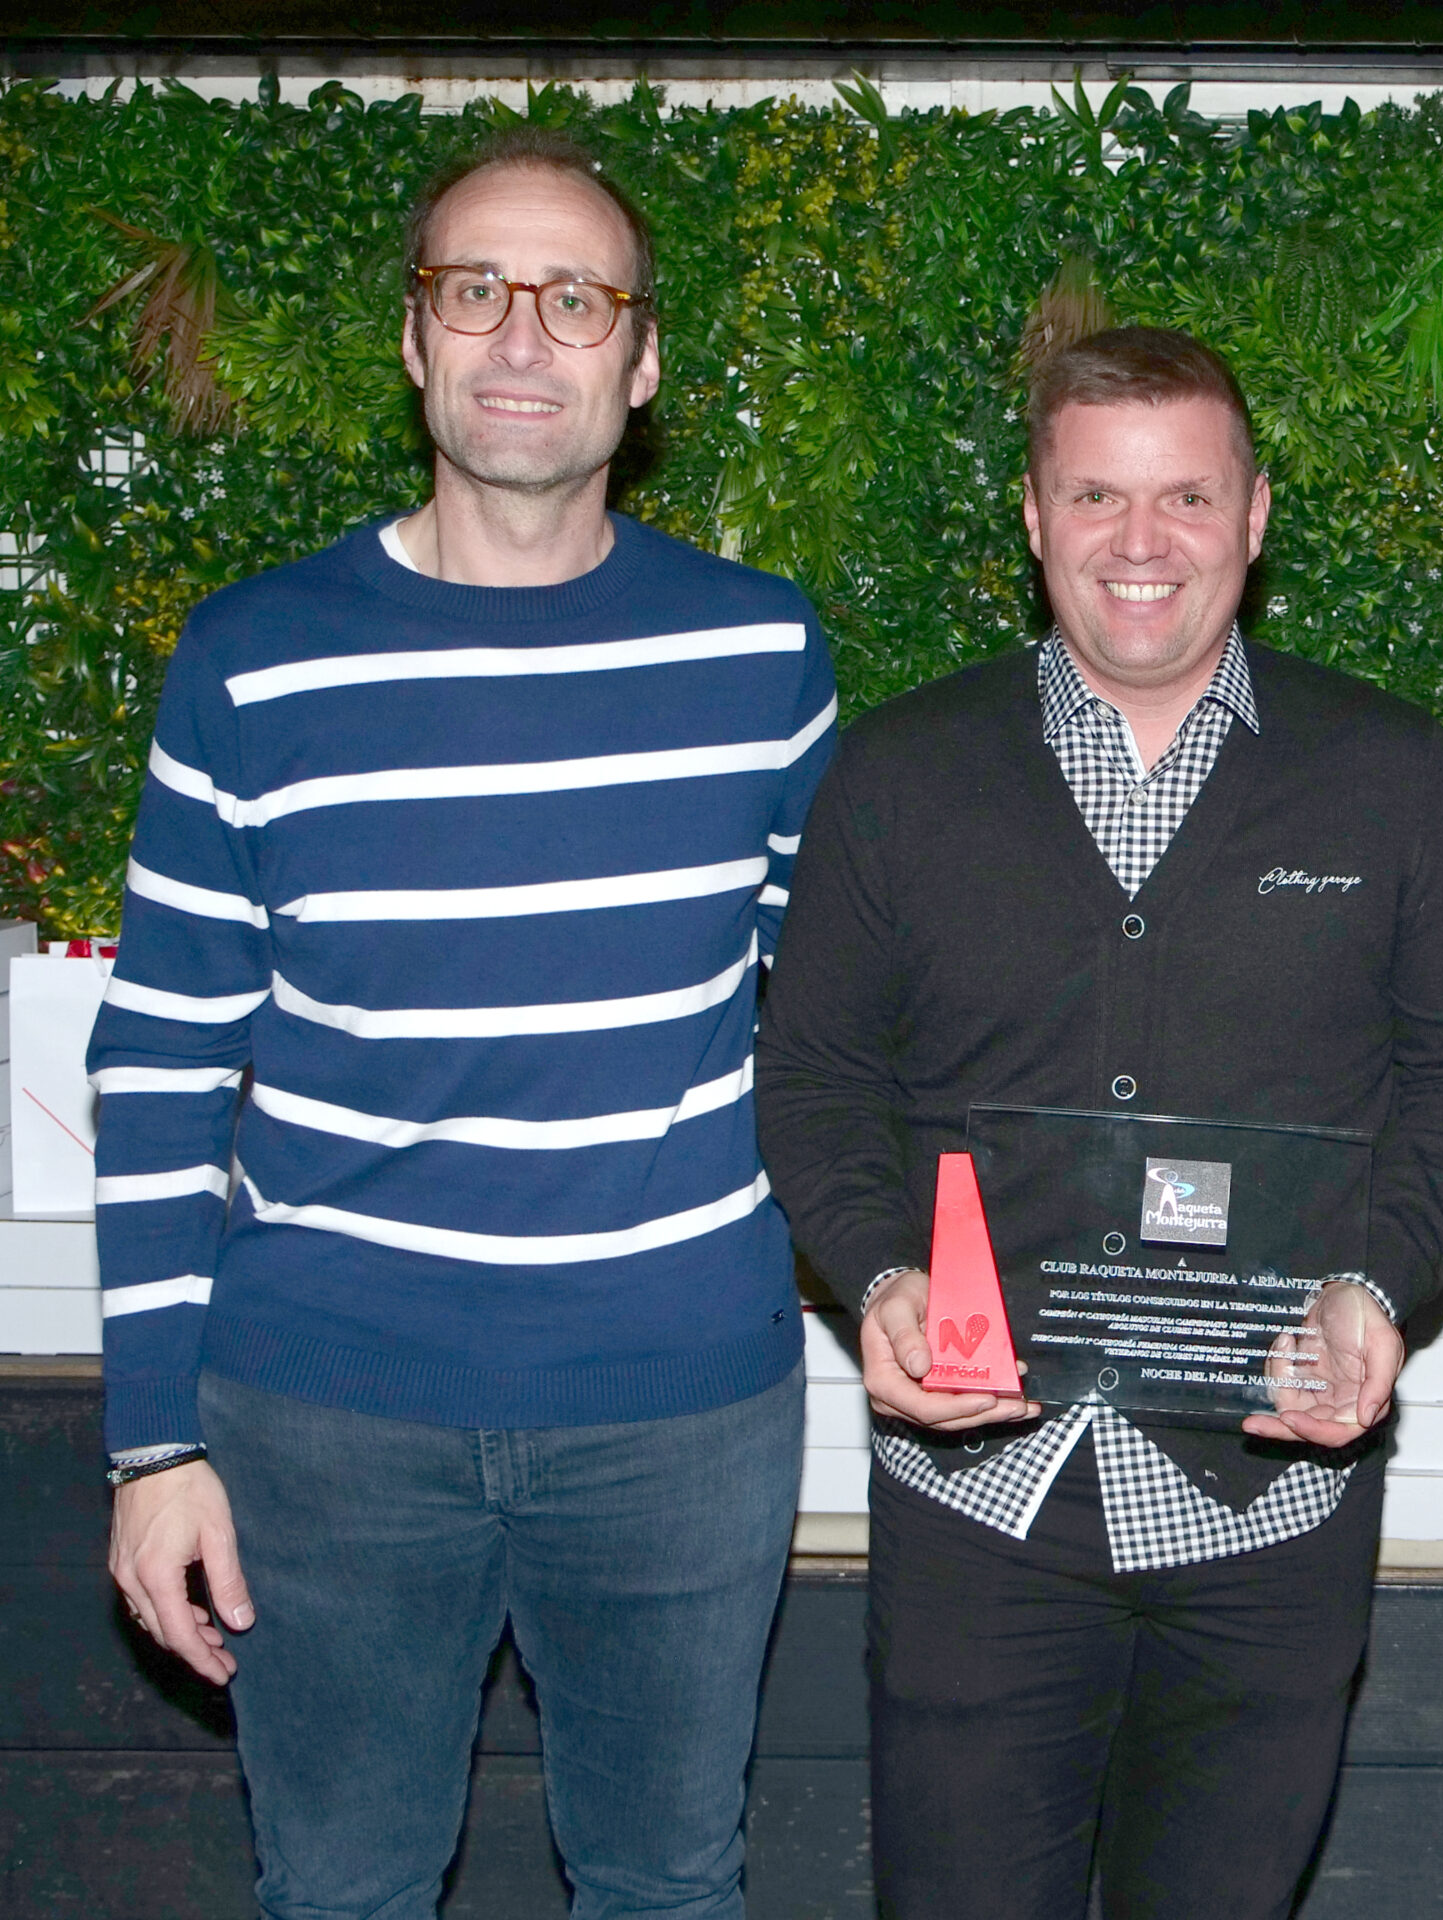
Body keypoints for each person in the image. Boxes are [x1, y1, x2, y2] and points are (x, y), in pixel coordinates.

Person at [94, 129, 837, 1920]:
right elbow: (162, 1061)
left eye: (576, 298)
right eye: (475, 289)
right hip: (324, 1420)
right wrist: (150, 1444)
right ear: (415, 338)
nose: (521, 334)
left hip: (680, 1414)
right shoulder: (252, 658)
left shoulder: (762, 657)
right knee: (339, 1892)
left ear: (640, 362)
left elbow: (833, 1038)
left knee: (670, 1888)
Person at [756, 324, 1443, 1920]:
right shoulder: (899, 774)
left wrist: (1378, 1290)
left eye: (1186, 496)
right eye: (1096, 495)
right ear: (1034, 515)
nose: (1140, 542)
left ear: (1254, 516)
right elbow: (814, 1082)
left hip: (1271, 1509)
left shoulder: (1396, 778)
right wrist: (881, 1274)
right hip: (980, 1504)